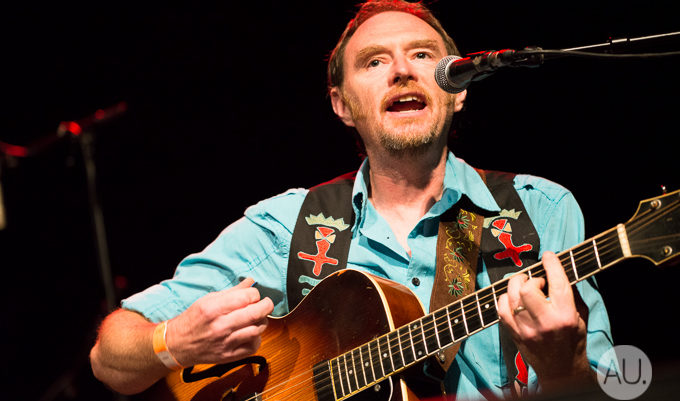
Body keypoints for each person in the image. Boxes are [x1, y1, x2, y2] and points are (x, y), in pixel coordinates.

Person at [89, 1, 613, 400]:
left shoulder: (540, 209)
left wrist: (564, 369)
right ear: (342, 105)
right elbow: (110, 357)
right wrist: (174, 343)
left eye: (423, 55)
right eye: (374, 61)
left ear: (458, 89)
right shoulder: (286, 225)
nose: (402, 71)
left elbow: (610, 387)